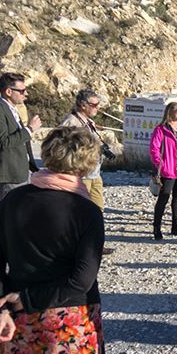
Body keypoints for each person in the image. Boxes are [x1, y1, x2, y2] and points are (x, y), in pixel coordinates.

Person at [0, 127, 107, 354]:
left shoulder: (14, 200)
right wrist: (27, 300)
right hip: (67, 320)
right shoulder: (86, 210)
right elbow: (81, 279)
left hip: (19, 319)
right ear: (85, 162)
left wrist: (1, 307)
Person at [59, 89, 115, 255]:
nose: (97, 108)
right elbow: (60, 147)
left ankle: (95, 244)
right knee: (78, 214)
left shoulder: (88, 122)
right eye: (94, 104)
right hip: (79, 176)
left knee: (97, 211)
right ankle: (76, 246)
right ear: (83, 105)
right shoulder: (71, 122)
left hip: (94, 174)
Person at [0, 72, 42, 203]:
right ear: (9, 91)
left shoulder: (11, 108)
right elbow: (3, 142)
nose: (26, 94)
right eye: (22, 91)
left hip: (21, 173)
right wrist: (29, 129)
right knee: (11, 217)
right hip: (10, 175)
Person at [149, 102, 177, 239]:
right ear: (170, 112)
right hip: (168, 170)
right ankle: (156, 227)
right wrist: (160, 165)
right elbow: (154, 149)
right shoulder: (161, 129)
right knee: (163, 198)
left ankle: (176, 225)